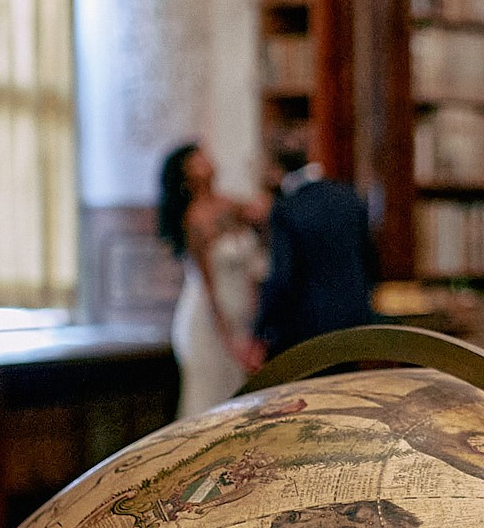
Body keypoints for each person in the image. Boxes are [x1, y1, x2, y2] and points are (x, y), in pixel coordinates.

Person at [159, 142, 267, 419]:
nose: (206, 161)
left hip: (240, 317)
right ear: (186, 173)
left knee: (239, 402)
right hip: (207, 322)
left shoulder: (230, 204)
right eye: (197, 159)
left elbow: (264, 214)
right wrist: (231, 340)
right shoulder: (194, 218)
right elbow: (209, 287)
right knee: (207, 403)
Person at [254, 147, 378, 362]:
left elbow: (283, 278)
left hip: (306, 330)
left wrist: (262, 330)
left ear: (275, 169)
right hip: (354, 322)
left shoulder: (287, 209)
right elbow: (370, 261)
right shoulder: (348, 196)